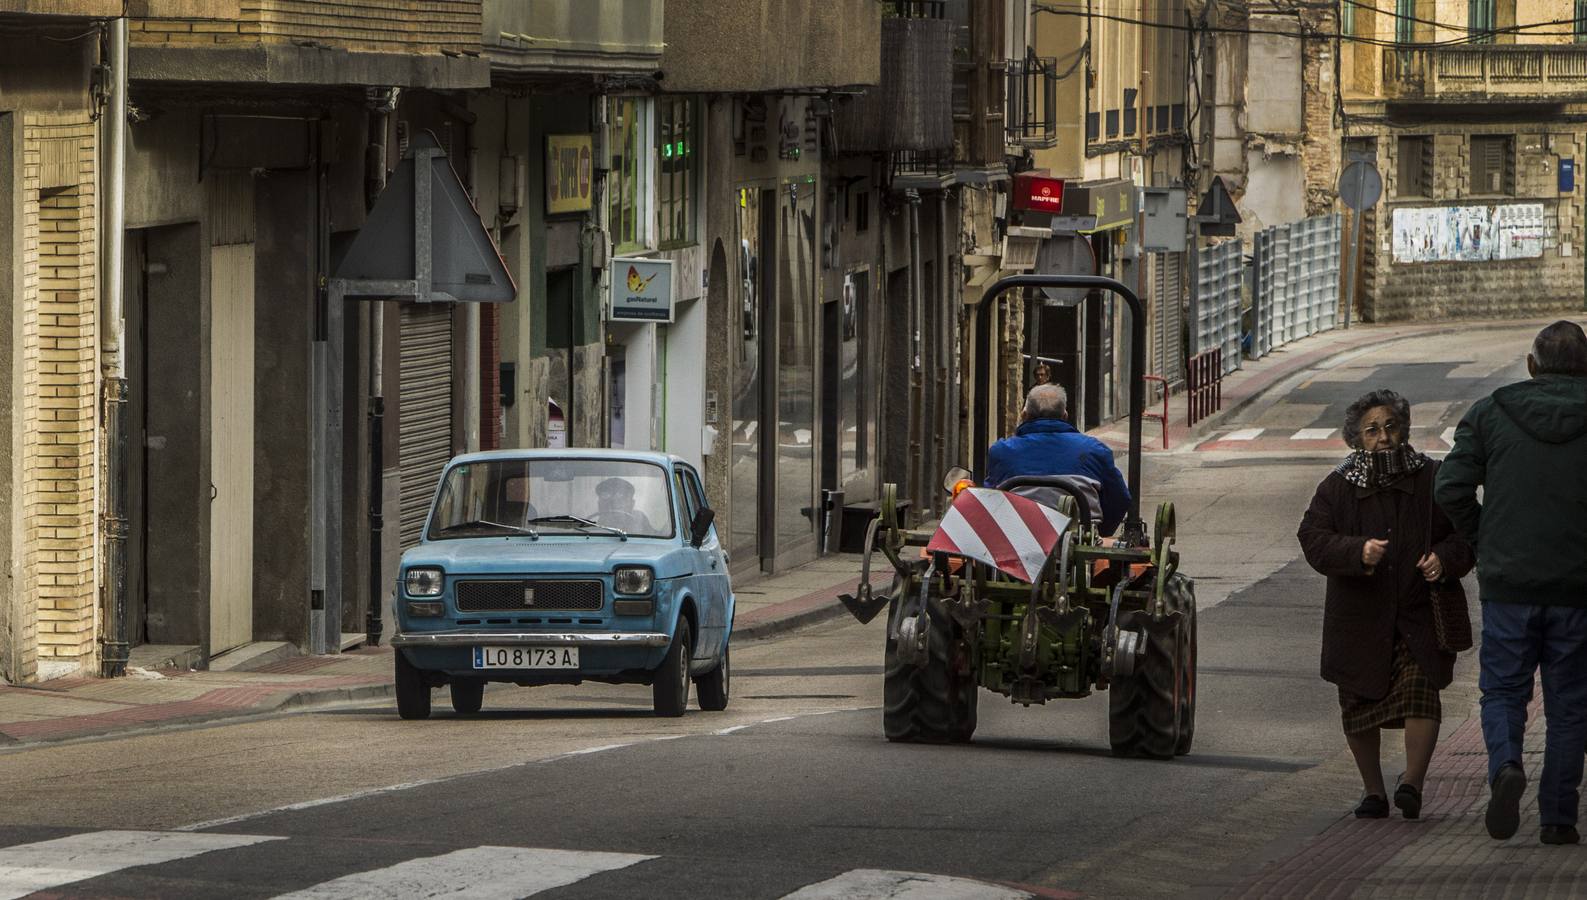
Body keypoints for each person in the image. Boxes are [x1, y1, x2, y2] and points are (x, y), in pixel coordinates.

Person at [1435, 320, 1587, 845]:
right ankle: (1559, 819)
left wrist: (1485, 542)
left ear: (1531, 365)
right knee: (1570, 703)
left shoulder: (1492, 411)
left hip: (1508, 585)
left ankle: (1505, 767)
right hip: (1578, 590)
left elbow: (1450, 486)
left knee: (1502, 689)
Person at [1298, 389, 1474, 820]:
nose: (1384, 437)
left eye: (1391, 426)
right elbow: (1313, 539)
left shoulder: (1431, 478)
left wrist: (1443, 560)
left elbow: (1466, 532)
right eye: (1372, 430)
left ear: (1405, 430)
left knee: (1422, 695)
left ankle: (1411, 783)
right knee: (1358, 706)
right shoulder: (1337, 488)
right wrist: (1356, 552)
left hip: (1418, 613)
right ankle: (1373, 792)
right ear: (1356, 439)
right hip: (1359, 620)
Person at [984, 384, 1130, 535]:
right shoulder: (1094, 450)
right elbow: (1120, 499)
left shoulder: (1002, 451)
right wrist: (1101, 533)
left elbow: (990, 498)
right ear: (1065, 416)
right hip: (1079, 541)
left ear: (1024, 415)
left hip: (1017, 538)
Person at [593, 477, 657, 535]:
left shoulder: (640, 520)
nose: (614, 504)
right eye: (606, 497)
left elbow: (654, 538)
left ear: (632, 504)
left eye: (621, 498)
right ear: (599, 504)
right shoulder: (590, 529)